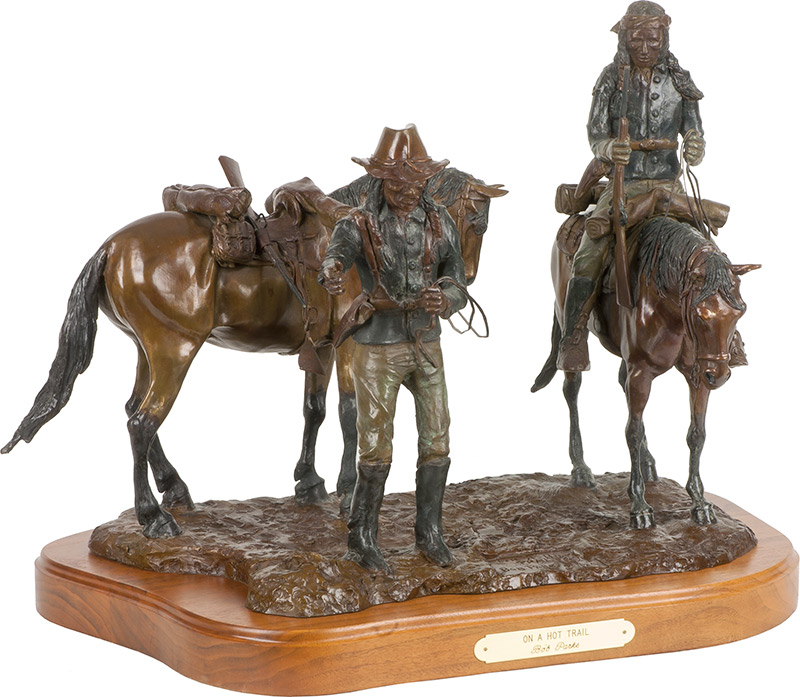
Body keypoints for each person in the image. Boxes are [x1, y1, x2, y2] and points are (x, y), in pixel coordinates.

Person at [319, 125, 467, 573]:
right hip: (378, 344)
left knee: (437, 439)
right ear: (381, 180)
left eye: (416, 183)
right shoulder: (358, 222)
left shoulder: (441, 221)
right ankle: (362, 537)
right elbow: (336, 254)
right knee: (375, 446)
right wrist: (332, 270)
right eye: (399, 184)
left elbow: (458, 281)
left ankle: (430, 533)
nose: (408, 191)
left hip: (426, 343)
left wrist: (446, 300)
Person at [559, 1, 706, 371]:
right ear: (625, 38)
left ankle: (725, 337)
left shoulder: (680, 79)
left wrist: (694, 143)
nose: (644, 47)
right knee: (590, 252)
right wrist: (609, 148)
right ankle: (573, 338)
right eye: (637, 39)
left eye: (652, 39)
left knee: (706, 253)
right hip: (625, 187)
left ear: (663, 37)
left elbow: (694, 127)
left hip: (670, 188)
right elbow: (596, 133)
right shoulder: (611, 79)